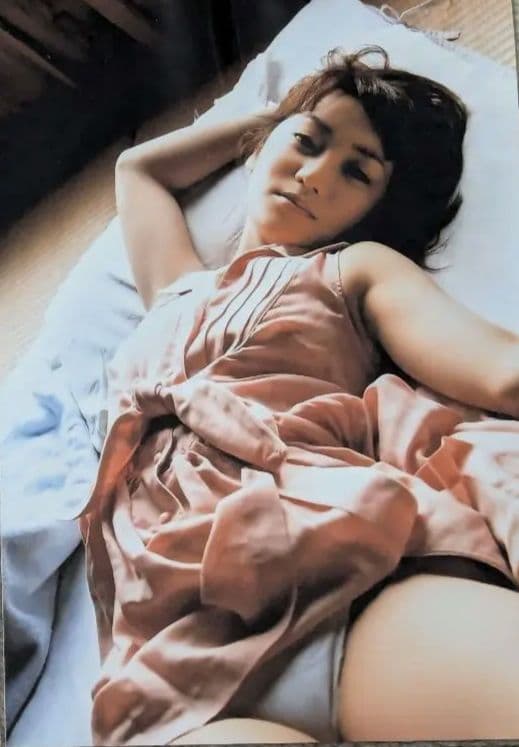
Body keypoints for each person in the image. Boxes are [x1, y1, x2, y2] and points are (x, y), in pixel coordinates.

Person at [85, 47, 519, 744]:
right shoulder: (174, 287)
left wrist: (297, 128)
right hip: (174, 651)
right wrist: (273, 120)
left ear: (379, 205)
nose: (315, 175)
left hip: (341, 572)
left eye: (356, 172)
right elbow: (138, 170)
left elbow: (501, 370)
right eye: (308, 144)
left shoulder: (353, 269)